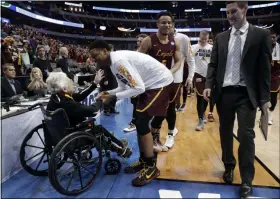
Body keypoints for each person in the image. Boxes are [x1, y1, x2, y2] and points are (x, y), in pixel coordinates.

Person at [203, 1, 272, 197]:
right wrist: (208, 85)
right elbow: (213, 65)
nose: (230, 16)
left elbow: (264, 70)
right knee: (225, 133)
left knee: (246, 134)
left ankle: (247, 179)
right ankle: (229, 166)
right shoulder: (221, 37)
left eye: (234, 11)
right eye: (227, 13)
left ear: (245, 10)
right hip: (224, 93)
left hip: (246, 94)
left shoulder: (261, 35)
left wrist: (265, 98)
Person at [89, 40, 173, 186]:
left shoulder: (118, 61)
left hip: (160, 82)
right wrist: (108, 92)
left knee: (141, 121)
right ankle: (144, 160)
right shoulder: (113, 63)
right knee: (139, 122)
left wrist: (113, 97)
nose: (94, 60)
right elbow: (125, 86)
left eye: (95, 56)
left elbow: (138, 88)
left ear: (104, 50)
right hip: (149, 85)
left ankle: (151, 167)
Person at [46, 71, 131, 158]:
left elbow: (78, 96)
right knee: (99, 129)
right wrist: (100, 100)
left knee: (94, 127)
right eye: (68, 81)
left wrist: (94, 84)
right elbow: (92, 111)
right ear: (64, 88)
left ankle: (112, 142)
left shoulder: (56, 98)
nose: (71, 82)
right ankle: (120, 148)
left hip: (59, 136)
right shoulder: (67, 103)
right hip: (73, 137)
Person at [138, 11, 182, 152]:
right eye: (163, 22)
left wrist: (170, 72)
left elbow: (179, 61)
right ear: (157, 24)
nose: (167, 25)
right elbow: (137, 59)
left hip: (165, 82)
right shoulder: (149, 40)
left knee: (162, 113)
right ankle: (146, 148)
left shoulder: (174, 41)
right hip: (149, 84)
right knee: (145, 115)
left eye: (169, 22)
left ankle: (155, 139)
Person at [123, 33, 148, 132]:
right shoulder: (134, 52)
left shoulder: (149, 53)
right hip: (135, 82)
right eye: (138, 41)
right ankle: (134, 122)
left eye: (141, 41)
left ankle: (139, 122)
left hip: (146, 82)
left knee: (144, 103)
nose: (139, 43)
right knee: (135, 103)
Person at [191, 30, 213, 131]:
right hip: (198, 74)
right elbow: (190, 62)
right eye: (202, 38)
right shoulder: (194, 47)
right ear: (199, 37)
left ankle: (203, 113)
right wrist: (190, 76)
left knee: (206, 97)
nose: (204, 40)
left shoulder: (212, 48)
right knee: (200, 97)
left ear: (208, 38)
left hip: (209, 76)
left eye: (205, 39)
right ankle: (200, 120)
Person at [268, 30, 280, 125]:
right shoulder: (264, 48)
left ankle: (270, 113)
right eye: (271, 37)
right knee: (264, 98)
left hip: (275, 78)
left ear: (276, 37)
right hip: (265, 77)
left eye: (274, 37)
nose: (272, 39)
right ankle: (266, 115)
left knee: (273, 99)